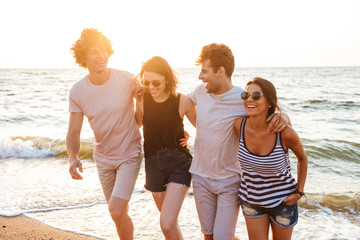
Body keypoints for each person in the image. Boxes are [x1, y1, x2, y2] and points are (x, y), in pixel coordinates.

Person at [189, 43, 290, 240]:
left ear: (220, 71)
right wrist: (187, 128)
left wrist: (284, 116)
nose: (200, 77)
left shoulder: (242, 99)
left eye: (204, 71)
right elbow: (184, 102)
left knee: (222, 237)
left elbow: (267, 117)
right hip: (200, 177)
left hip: (229, 180)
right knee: (208, 236)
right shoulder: (200, 92)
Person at [66, 28, 142, 240]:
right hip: (103, 159)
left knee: (116, 209)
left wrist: (141, 98)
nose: (101, 56)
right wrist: (73, 157)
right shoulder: (78, 91)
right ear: (83, 57)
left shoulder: (128, 79)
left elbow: (141, 119)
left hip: (130, 154)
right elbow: (73, 130)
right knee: (118, 214)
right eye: (94, 52)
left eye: (104, 50)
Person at [234, 77, 308, 240]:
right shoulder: (239, 125)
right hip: (251, 200)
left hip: (283, 202)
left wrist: (299, 192)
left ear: (269, 103)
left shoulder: (285, 133)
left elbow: (302, 158)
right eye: (246, 95)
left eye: (257, 95)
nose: (250, 100)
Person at [135, 56, 196, 240]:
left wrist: (192, 138)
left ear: (167, 79)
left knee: (166, 223)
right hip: (153, 167)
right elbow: (137, 123)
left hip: (179, 164)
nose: (151, 87)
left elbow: (205, 127)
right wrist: (136, 100)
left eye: (156, 82)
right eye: (146, 82)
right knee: (169, 225)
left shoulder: (181, 100)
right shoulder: (144, 99)